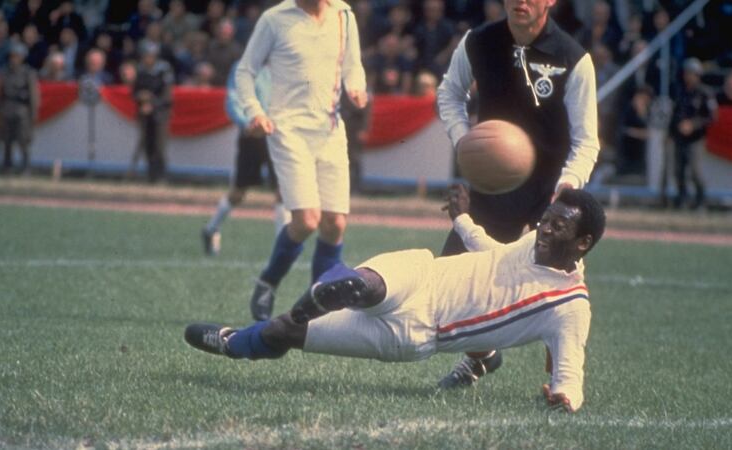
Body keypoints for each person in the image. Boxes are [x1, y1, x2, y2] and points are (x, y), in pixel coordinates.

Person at [185, 187, 606, 413]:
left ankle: (237, 342)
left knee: (284, 330)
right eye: (547, 220)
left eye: (558, 228)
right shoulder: (537, 237)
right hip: (424, 273)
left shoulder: (569, 307)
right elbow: (496, 253)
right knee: (370, 283)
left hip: (417, 331)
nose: (546, 230)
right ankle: (343, 287)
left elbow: (572, 375)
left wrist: (564, 399)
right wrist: (462, 220)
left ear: (583, 243)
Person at [435, 0, 600, 388]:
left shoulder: (573, 58)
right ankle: (483, 357)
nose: (520, 1)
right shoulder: (479, 41)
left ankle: (561, 382)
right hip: (491, 186)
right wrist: (466, 143)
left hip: (549, 197)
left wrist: (568, 186)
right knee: (446, 291)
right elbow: (449, 94)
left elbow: (587, 141)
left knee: (559, 302)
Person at [235, 0, 367, 321]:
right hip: (288, 129)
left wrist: (357, 86)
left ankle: (318, 306)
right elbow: (245, 71)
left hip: (330, 130)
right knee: (306, 221)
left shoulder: (343, 14)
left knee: (335, 224)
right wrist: (255, 112)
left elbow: (353, 64)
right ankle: (268, 281)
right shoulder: (275, 19)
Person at [202, 62, 290, 256]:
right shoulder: (245, 66)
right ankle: (211, 229)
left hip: (279, 135)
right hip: (253, 136)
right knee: (239, 192)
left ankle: (281, 247)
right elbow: (233, 98)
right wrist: (248, 124)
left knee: (283, 190)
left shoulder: (286, 63)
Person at [668, 57, 714, 210]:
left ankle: (701, 201)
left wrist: (693, 125)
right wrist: (671, 133)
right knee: (678, 170)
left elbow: (711, 116)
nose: (689, 76)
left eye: (692, 73)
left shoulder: (704, 93)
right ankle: (682, 199)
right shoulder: (680, 92)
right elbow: (674, 114)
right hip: (679, 137)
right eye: (687, 73)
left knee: (695, 170)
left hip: (695, 138)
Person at [133, 41, 174, 183]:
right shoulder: (140, 70)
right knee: (148, 145)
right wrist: (140, 98)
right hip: (144, 112)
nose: (148, 59)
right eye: (145, 55)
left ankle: (161, 176)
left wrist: (152, 103)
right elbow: (135, 90)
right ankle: (151, 176)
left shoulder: (163, 70)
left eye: (150, 56)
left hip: (160, 113)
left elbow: (167, 94)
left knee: (159, 146)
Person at [0, 42, 39, 174]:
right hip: (7, 109)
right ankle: (7, 166)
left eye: (17, 56)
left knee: (23, 140)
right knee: (7, 140)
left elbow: (33, 96)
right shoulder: (4, 72)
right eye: (12, 56)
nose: (14, 59)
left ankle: (26, 166)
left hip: (22, 110)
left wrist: (33, 114)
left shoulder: (28, 73)